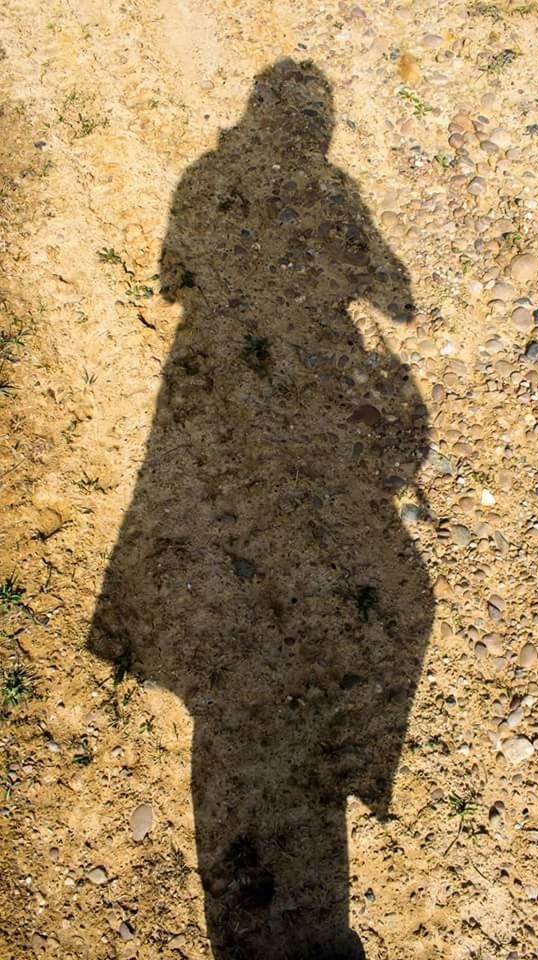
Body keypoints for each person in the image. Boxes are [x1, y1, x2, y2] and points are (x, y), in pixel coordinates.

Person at [89, 58, 432, 960]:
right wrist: (378, 294)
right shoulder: (329, 189)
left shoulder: (207, 178)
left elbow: (170, 279)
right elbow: (392, 289)